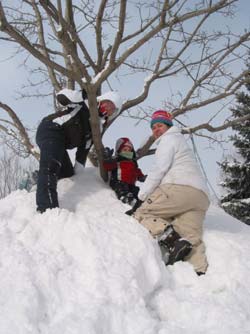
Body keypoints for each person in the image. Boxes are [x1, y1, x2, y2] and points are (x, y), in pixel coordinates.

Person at [126, 110, 210, 275]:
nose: (156, 129)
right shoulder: (180, 142)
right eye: (153, 127)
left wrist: (141, 197)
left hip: (179, 187)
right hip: (200, 197)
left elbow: (159, 169)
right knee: (190, 235)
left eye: (160, 125)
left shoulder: (169, 139)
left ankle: (171, 238)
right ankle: (200, 273)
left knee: (141, 213)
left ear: (169, 126)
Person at [36, 88, 122, 213]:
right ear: (101, 100)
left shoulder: (96, 128)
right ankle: (47, 208)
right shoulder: (84, 103)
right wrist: (83, 95)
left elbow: (84, 149)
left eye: (112, 109)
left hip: (61, 143)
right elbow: (61, 96)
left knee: (66, 173)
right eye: (108, 104)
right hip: (52, 129)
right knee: (51, 167)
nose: (108, 109)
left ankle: (36, 179)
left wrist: (78, 172)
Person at [103, 137, 146, 204]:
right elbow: (108, 167)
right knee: (121, 187)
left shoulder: (133, 163)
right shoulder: (117, 160)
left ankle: (139, 202)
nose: (127, 151)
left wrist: (142, 177)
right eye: (125, 149)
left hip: (131, 184)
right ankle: (124, 197)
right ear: (119, 150)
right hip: (119, 182)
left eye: (129, 150)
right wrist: (107, 159)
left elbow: (137, 171)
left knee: (136, 190)